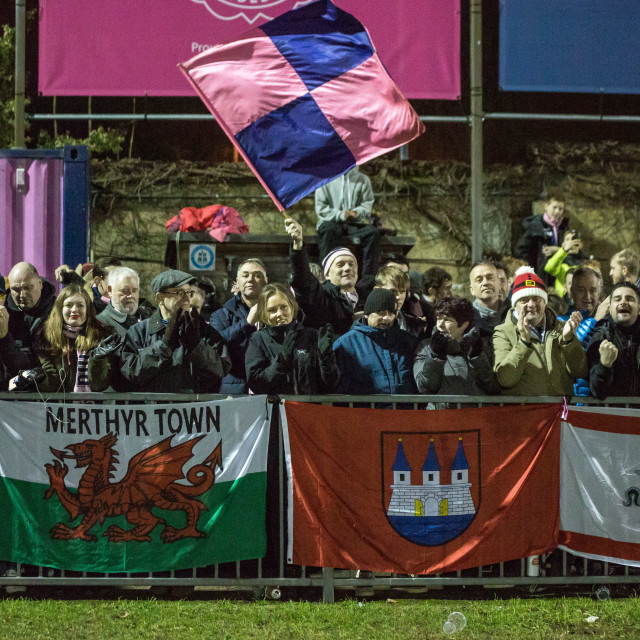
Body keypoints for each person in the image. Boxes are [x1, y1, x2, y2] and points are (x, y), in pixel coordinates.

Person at [120, 269, 228, 393]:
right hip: (153, 409)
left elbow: (221, 368)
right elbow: (130, 373)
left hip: (192, 409)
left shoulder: (201, 329)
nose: (187, 298)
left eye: (189, 292)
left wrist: (197, 345)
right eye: (179, 292)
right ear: (160, 297)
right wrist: (164, 346)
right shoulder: (139, 331)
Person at [493, 266, 587, 396]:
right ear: (515, 305)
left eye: (537, 299)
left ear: (545, 303)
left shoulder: (561, 328)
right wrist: (523, 343)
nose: (531, 304)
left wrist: (569, 340)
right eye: (524, 300)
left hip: (559, 413)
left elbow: (580, 371)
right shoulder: (502, 332)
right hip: (525, 413)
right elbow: (505, 380)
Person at [13, 284, 111, 393]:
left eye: (80, 305)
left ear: (88, 309)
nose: (74, 310)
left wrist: (98, 360)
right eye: (69, 305)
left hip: (93, 408)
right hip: (58, 408)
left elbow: (98, 385)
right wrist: (37, 378)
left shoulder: (101, 336)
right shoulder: (45, 337)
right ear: (60, 308)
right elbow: (52, 385)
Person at [245, 283, 338, 395]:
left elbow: (330, 385)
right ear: (264, 315)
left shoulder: (312, 335)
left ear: (292, 308)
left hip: (308, 409)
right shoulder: (257, 339)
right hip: (277, 410)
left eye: (283, 307)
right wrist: (281, 362)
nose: (279, 314)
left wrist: (326, 359)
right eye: (272, 310)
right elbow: (256, 384)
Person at [286, 217, 366, 336]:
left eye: (351, 264)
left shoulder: (367, 297)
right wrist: (298, 245)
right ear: (327, 274)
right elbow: (303, 280)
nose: (347, 268)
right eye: (340, 265)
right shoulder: (323, 296)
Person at [333, 288, 418, 395]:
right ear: (367, 314)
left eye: (391, 313)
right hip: (365, 411)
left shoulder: (408, 341)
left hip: (403, 411)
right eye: (381, 312)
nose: (386, 318)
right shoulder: (346, 344)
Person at [414, 296, 499, 397]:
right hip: (442, 412)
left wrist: (477, 357)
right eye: (438, 318)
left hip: (476, 411)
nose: (440, 325)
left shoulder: (482, 346)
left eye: (447, 320)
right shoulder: (426, 347)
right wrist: (436, 358)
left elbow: (493, 387)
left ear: (464, 325)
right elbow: (425, 387)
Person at [209, 259, 268, 394]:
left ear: (266, 281)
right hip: (233, 391)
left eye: (257, 275)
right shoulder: (220, 315)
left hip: (268, 391)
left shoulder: (275, 311)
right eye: (245, 275)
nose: (250, 279)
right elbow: (217, 343)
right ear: (237, 282)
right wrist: (247, 323)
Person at [314, 166, 381, 275]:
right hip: (331, 221)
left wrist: (357, 213)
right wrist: (340, 214)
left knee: (372, 233)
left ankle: (367, 279)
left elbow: (367, 204)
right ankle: (326, 277)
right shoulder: (325, 179)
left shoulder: (363, 179)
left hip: (355, 223)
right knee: (328, 230)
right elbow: (321, 208)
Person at [0, 262, 57, 378]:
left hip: (48, 389)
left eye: (27, 287)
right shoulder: (4, 315)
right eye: (16, 289)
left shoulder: (57, 311)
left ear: (40, 283)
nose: (22, 294)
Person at [588, 282, 640, 399]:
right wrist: (604, 365)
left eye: (630, 299)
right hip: (614, 415)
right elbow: (597, 391)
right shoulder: (600, 337)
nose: (623, 302)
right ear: (610, 308)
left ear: (639, 308)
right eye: (617, 299)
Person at [514, 194, 580, 282]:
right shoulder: (536, 225)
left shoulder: (564, 227)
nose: (557, 211)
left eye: (560, 209)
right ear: (546, 206)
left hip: (558, 275)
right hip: (540, 275)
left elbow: (573, 251)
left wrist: (557, 250)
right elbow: (520, 250)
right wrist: (531, 269)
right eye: (554, 207)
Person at [96, 267, 152, 338]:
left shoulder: (150, 317)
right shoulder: (100, 324)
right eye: (125, 291)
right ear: (110, 290)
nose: (131, 296)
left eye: (134, 290)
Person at [374, 265, 429, 338]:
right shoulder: (364, 322)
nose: (398, 297)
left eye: (402, 291)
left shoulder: (414, 325)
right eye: (392, 291)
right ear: (376, 290)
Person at [543, 230, 583, 297]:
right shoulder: (559, 260)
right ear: (563, 244)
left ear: (581, 244)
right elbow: (549, 269)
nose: (571, 242)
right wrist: (563, 250)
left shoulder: (585, 262)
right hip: (562, 299)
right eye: (568, 240)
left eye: (574, 239)